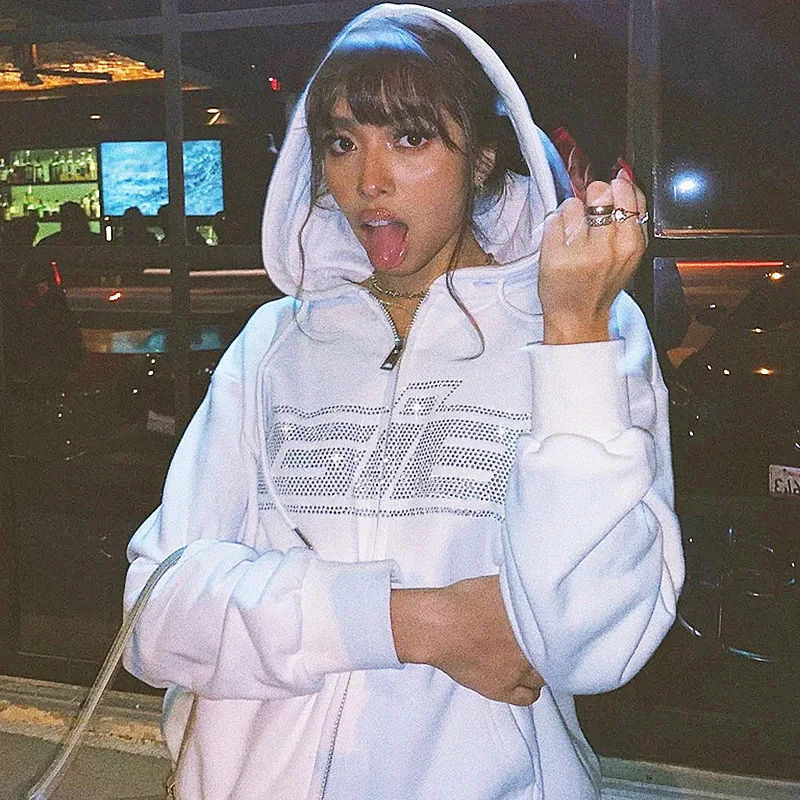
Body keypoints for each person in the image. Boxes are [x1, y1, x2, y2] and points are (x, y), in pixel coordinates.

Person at [123, 6, 684, 800]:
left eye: (411, 139)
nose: (368, 181)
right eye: (342, 142)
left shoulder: (585, 334)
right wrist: (421, 621)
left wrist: (573, 333)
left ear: (482, 155)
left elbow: (592, 642)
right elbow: (155, 613)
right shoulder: (273, 345)